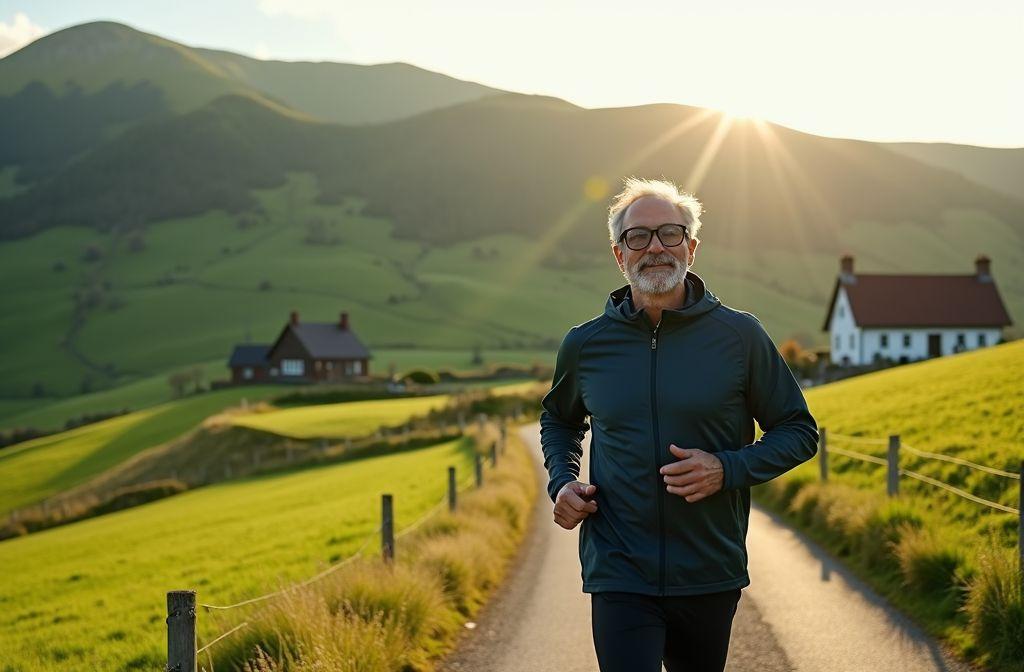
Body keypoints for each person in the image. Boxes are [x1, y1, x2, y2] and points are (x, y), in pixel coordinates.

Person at [539, 177, 819, 672]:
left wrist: (726, 469)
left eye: (670, 233)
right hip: (618, 570)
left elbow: (798, 431)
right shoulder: (585, 345)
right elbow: (559, 421)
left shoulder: (740, 336)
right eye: (637, 237)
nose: (655, 248)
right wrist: (562, 482)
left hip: (709, 571)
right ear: (618, 254)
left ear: (692, 246)